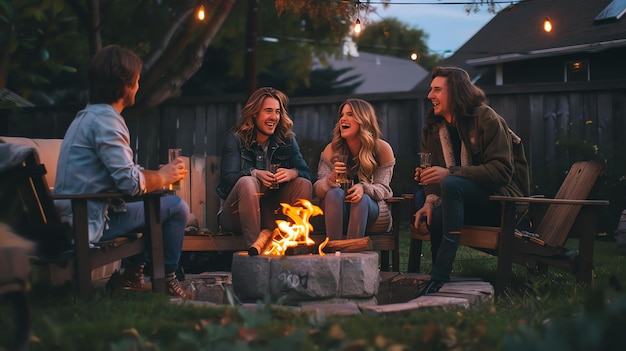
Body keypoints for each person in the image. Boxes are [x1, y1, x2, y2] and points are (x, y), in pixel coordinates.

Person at [54, 45, 191, 299]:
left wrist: (156, 176)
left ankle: (131, 276)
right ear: (123, 87)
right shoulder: (107, 120)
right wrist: (164, 177)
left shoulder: (86, 117)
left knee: (155, 202)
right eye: (136, 81)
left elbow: (121, 174)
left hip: (76, 215)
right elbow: (130, 183)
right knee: (176, 208)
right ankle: (168, 281)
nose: (138, 85)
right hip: (86, 223)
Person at [413, 66, 530, 295]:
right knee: (424, 200)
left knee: (451, 183)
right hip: (456, 200)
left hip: (501, 202)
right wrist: (429, 198)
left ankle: (440, 274)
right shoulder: (433, 128)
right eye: (430, 90)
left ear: (455, 92)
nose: (430, 96)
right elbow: (434, 178)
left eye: (437, 90)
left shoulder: (485, 118)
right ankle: (435, 277)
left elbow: (502, 172)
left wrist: (450, 173)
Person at [216, 87, 313, 248]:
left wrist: (292, 173)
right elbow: (227, 182)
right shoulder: (236, 139)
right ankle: (255, 253)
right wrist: (253, 173)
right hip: (236, 216)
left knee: (303, 183)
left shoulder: (287, 140)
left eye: (277, 112)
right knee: (247, 182)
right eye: (268, 111)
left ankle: (295, 248)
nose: (274, 117)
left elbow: (308, 174)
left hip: (270, 213)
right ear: (254, 113)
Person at [314, 98, 395, 240]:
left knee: (361, 198)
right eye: (342, 115)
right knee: (333, 193)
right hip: (337, 211)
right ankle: (335, 253)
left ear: (363, 119)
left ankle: (352, 255)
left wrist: (363, 187)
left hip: (370, 212)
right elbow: (317, 191)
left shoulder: (382, 149)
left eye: (350, 114)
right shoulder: (332, 149)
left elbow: (383, 189)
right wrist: (330, 179)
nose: (343, 119)